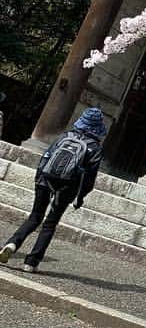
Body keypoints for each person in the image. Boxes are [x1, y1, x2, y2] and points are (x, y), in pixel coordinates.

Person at [0, 107, 107, 272]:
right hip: (67, 188)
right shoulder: (95, 148)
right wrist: (80, 197)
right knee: (50, 224)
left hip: (45, 180)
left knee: (35, 217)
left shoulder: (64, 137)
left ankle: (12, 244)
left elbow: (46, 157)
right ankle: (31, 262)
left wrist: (38, 179)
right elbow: (89, 178)